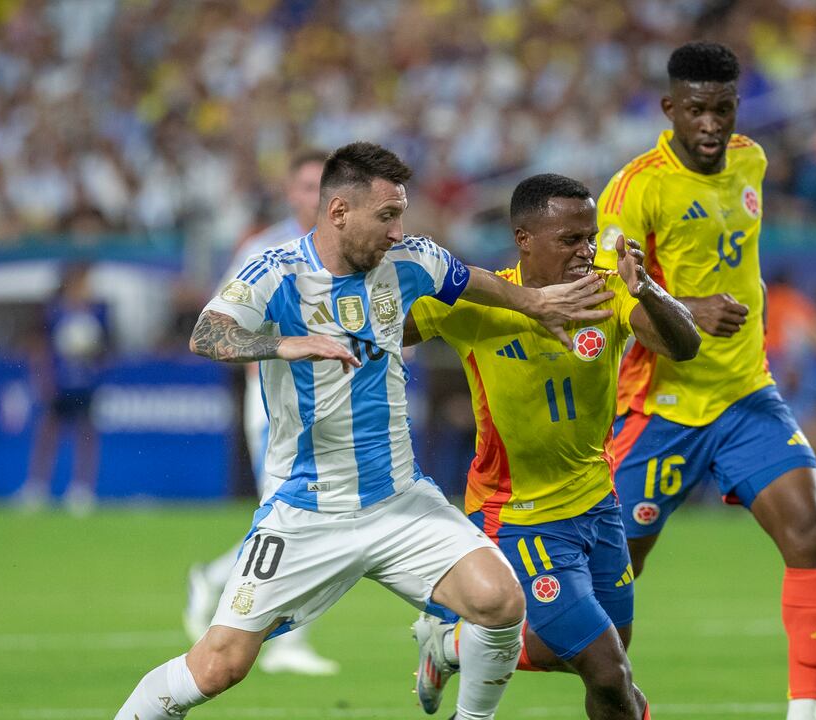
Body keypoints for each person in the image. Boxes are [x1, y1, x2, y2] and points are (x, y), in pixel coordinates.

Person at [114, 142, 616, 720]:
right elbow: (207, 332)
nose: (398, 230)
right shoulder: (276, 272)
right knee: (219, 666)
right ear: (338, 213)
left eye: (401, 214)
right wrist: (283, 344)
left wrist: (533, 303)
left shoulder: (410, 261)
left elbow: (471, 280)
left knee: (500, 601)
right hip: (309, 510)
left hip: (399, 500)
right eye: (386, 216)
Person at [593, 43, 816, 720]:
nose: (710, 125)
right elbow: (616, 301)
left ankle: (804, 712)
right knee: (608, 591)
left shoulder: (753, 162)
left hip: (743, 394)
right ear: (670, 108)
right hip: (657, 408)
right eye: (696, 110)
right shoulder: (636, 187)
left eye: (722, 109)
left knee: (809, 533)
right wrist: (686, 311)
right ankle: (465, 640)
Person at [403, 174, 699, 719]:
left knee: (607, 660)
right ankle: (460, 646)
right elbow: (383, 332)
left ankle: (450, 647)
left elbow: (684, 346)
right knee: (610, 674)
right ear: (524, 238)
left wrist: (647, 289)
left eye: (590, 237)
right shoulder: (477, 302)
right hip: (519, 516)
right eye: (570, 240)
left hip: (598, 507)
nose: (586, 251)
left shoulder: (606, 292)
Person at [181, 149, 340, 676]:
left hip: (332, 399)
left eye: (323, 186)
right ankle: (284, 638)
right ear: (290, 193)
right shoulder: (263, 248)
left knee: (308, 516)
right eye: (304, 186)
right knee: (293, 516)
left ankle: (215, 579)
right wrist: (275, 349)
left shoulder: (350, 250)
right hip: (274, 400)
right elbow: (221, 320)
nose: (312, 196)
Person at [16, 263, 110, 515]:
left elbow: (106, 349)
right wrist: (43, 378)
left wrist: (92, 353)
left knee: (86, 435)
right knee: (48, 432)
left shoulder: (98, 311)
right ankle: (37, 487)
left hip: (85, 382)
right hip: (61, 382)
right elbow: (41, 348)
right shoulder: (55, 312)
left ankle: (82, 489)